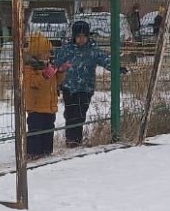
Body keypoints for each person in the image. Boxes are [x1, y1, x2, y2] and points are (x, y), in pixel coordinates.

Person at [52, 19, 128, 149]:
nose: (81, 39)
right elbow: (56, 67)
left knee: (80, 115)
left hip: (85, 89)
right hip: (69, 88)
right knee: (70, 115)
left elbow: (105, 60)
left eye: (83, 36)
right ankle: (71, 141)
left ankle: (76, 141)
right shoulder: (66, 50)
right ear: (74, 37)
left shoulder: (93, 51)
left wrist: (116, 67)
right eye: (78, 37)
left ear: (88, 36)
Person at [22, 31, 64, 159]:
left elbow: (57, 81)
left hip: (49, 105)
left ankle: (46, 151)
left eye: (48, 52)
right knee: (36, 130)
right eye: (45, 52)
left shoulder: (47, 65)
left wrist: (60, 71)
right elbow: (33, 84)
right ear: (37, 53)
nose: (48, 55)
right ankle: (33, 153)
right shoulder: (29, 68)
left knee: (48, 129)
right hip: (36, 107)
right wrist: (44, 75)